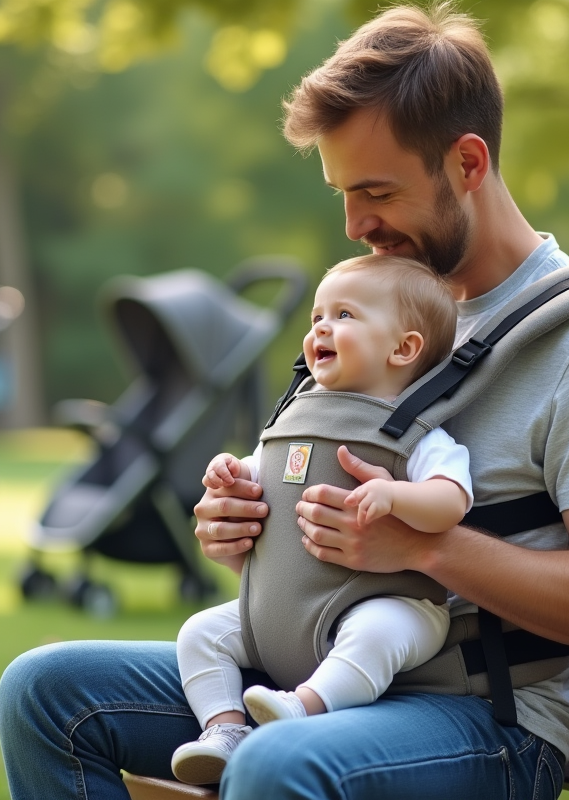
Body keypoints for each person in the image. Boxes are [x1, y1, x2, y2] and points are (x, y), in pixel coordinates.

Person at [0, 5, 569, 799]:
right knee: (44, 694)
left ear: (467, 162)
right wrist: (244, 525)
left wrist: (424, 547)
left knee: (279, 761)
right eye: (342, 194)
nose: (356, 225)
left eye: (377, 191)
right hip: (309, 670)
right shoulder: (368, 313)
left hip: (482, 716)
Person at [169, 254, 473, 785]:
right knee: (200, 632)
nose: (321, 329)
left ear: (403, 348)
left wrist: (396, 495)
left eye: (344, 315)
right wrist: (231, 474)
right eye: (316, 318)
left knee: (377, 633)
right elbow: (261, 471)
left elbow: (452, 499)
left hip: (389, 603)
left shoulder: (417, 432)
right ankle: (224, 729)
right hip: (281, 615)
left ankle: (305, 706)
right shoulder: (297, 416)